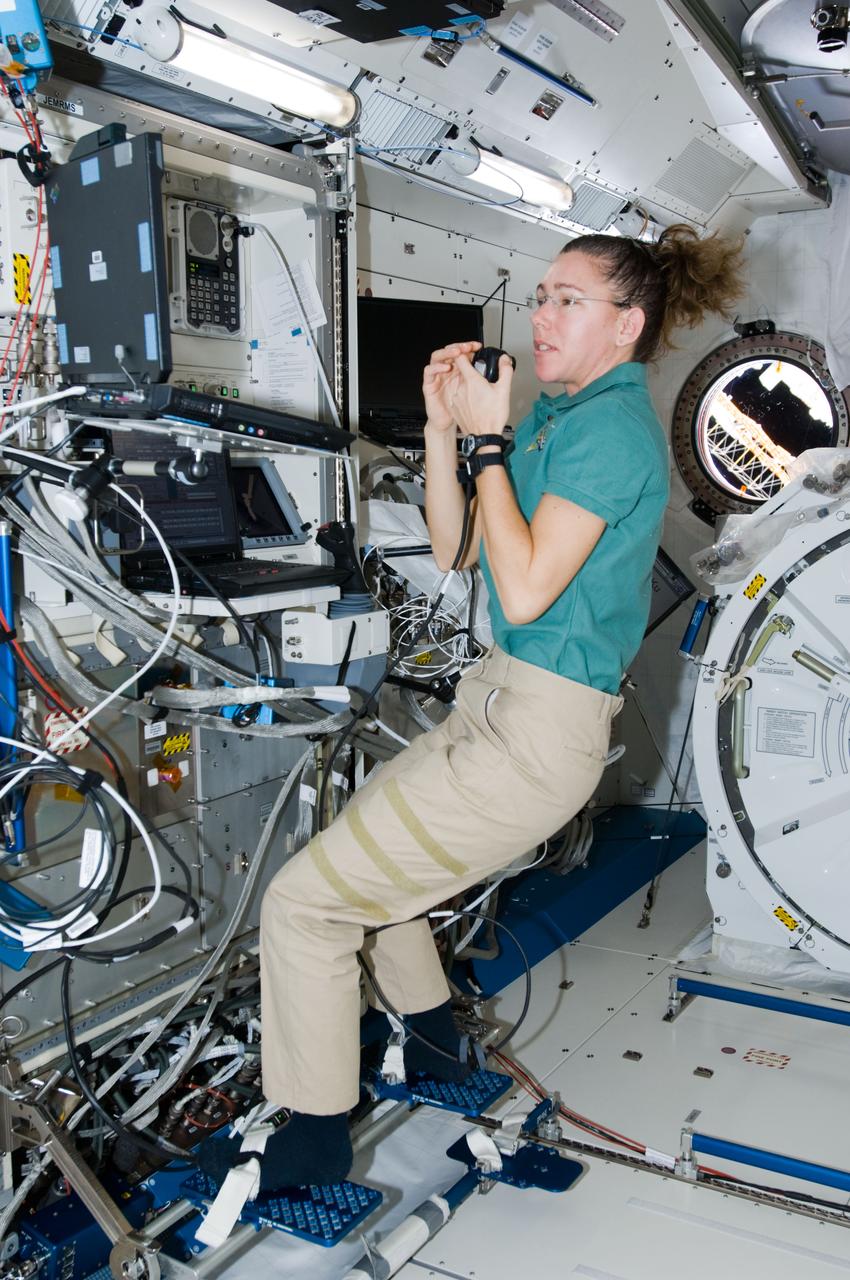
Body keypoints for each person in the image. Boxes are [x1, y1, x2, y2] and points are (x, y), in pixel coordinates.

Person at [199, 225, 743, 1192]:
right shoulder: (556, 418)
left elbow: (527, 591)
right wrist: (448, 428)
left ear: (627, 325)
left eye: (567, 300)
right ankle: (441, 1044)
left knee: (306, 904)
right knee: (367, 865)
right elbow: (456, 551)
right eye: (540, 295)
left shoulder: (612, 433)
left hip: (539, 734)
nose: (540, 316)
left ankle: (316, 1129)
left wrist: (489, 437)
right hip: (494, 704)